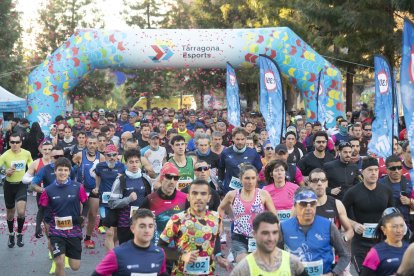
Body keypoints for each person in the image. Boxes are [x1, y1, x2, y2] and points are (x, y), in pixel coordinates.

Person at [158, 179, 231, 275]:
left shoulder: (216, 217)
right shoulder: (177, 219)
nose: (198, 197)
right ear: (188, 197)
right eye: (194, 193)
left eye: (203, 194)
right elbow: (160, 247)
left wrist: (218, 256)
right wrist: (182, 256)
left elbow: (215, 237)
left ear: (209, 198)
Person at [280, 187, 351, 275]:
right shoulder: (283, 227)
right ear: (295, 205)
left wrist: (333, 273)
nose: (308, 208)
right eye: (303, 203)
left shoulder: (328, 225)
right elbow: (274, 255)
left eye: (312, 203)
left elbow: (345, 255)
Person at [342, 157, 395, 274]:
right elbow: (341, 215)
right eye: (370, 170)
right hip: (360, 244)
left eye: (376, 170)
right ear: (362, 172)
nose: (374, 173)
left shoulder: (386, 191)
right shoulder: (352, 192)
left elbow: (392, 215)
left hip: (381, 242)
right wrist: (354, 224)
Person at [38, 157, 89, 276]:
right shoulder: (48, 190)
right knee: (59, 262)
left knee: (75, 266)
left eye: (66, 170)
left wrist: (83, 216)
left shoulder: (78, 187)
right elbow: (42, 209)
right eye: (60, 170)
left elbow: (86, 204)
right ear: (55, 171)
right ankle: (60, 254)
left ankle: (65, 251)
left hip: (74, 230)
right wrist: (38, 227)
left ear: (69, 172)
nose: (63, 173)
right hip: (56, 231)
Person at [218, 164, 276, 263]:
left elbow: (274, 216)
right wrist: (220, 226)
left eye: (253, 178)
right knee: (246, 264)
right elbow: (220, 208)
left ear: (257, 178)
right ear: (240, 179)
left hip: (259, 238)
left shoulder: (263, 194)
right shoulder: (232, 195)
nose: (250, 181)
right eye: (247, 178)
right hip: (239, 238)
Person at [93, 208, 167, 275]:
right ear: (132, 228)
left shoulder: (160, 253)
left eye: (150, 226)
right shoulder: (117, 254)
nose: (147, 230)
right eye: (142, 226)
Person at [230, 212, 307, 276]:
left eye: (275, 232)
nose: (271, 238)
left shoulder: (292, 263)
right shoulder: (243, 269)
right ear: (254, 234)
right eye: (265, 233)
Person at [107, 148, 152, 244]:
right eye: (131, 162)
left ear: (140, 163)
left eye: (137, 162)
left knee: (142, 251)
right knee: (126, 253)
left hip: (142, 222)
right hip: (125, 224)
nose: (134, 165)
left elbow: (150, 200)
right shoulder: (120, 180)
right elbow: (112, 203)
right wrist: (128, 199)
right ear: (126, 163)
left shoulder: (146, 178)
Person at [0, 133, 33, 248]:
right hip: (9, 186)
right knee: (10, 214)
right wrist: (5, 172)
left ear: (21, 143)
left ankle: (19, 233)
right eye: (12, 142)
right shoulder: (5, 155)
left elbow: (31, 165)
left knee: (21, 212)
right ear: (9, 143)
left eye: (17, 142)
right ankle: (10, 234)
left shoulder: (26, 153)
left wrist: (31, 176)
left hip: (21, 185)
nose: (15, 144)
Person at [73, 135, 105, 249]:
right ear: (87, 144)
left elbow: (103, 174)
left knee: (92, 215)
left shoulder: (101, 157)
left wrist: (99, 187)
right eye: (90, 143)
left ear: (97, 145)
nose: (92, 145)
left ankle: (88, 238)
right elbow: (73, 170)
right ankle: (76, 237)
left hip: (94, 190)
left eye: (94, 143)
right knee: (80, 216)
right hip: (81, 189)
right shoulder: (79, 155)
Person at [308, 168, 354, 242]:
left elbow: (349, 230)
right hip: (310, 251)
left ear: (327, 183)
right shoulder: (301, 205)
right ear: (309, 184)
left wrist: (342, 240)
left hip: (331, 252)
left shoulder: (337, 204)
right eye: (315, 180)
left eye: (323, 180)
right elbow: (291, 230)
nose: (319, 183)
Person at [93, 144, 126, 249]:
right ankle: (110, 259)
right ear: (105, 156)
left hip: (117, 203)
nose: (111, 157)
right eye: (109, 155)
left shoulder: (122, 167)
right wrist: (97, 187)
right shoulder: (100, 166)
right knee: (110, 233)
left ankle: (111, 251)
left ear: (117, 155)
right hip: (104, 203)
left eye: (114, 155)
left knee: (116, 233)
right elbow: (98, 176)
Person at [361, 208, 409, 276]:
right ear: (384, 229)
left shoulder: (410, 249)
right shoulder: (375, 252)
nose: (399, 230)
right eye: (394, 226)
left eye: (401, 226)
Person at [22, 140, 53, 238]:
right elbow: (24, 179)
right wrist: (37, 178)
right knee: (44, 215)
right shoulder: (36, 163)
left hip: (56, 193)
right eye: (45, 149)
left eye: (49, 149)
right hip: (42, 193)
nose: (47, 151)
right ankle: (49, 239)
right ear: (41, 150)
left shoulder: (57, 161)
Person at [218, 127, 262, 194]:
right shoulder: (225, 153)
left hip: (247, 190)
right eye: (237, 139)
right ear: (233, 138)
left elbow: (258, 169)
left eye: (242, 139)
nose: (240, 142)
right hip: (229, 190)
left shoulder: (253, 153)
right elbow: (221, 168)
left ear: (246, 139)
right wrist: (220, 181)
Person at [378, 154, 413, 229]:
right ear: (387, 170)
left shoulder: (409, 183)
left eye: (399, 168)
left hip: (405, 225)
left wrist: (409, 201)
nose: (396, 171)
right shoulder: (379, 184)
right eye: (393, 168)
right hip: (387, 226)